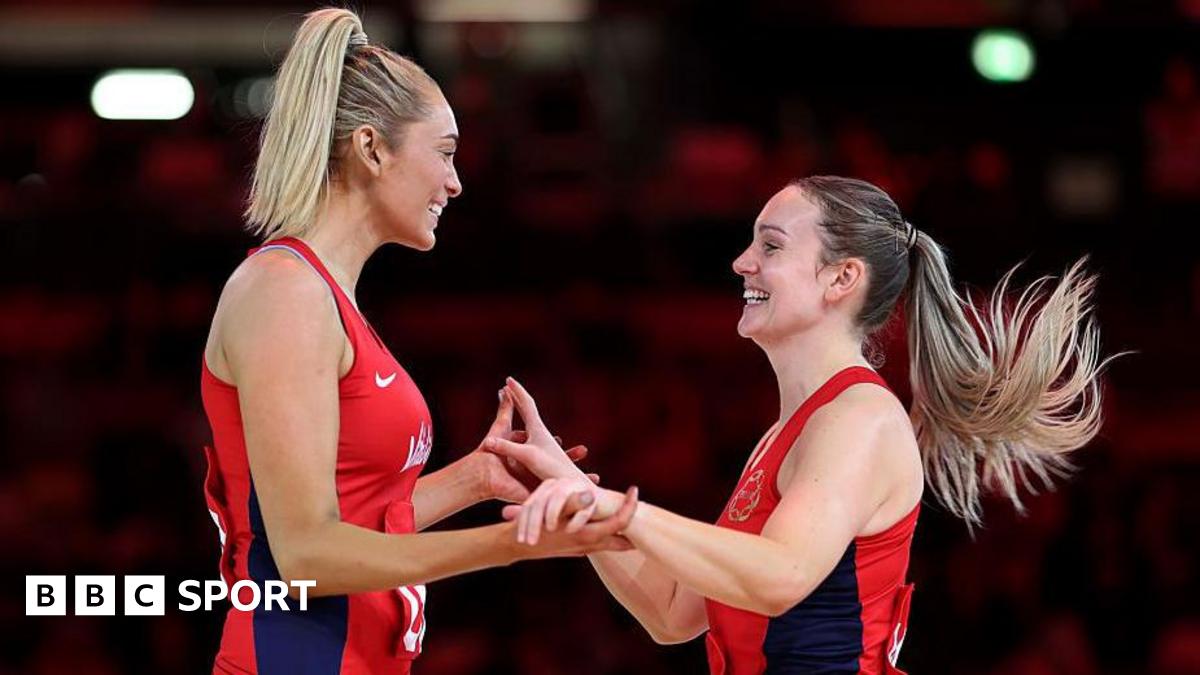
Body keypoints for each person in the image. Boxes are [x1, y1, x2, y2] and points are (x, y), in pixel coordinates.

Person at [488, 176, 1113, 674]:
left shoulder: (859, 419)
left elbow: (782, 575)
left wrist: (618, 509)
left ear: (842, 278)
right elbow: (675, 614)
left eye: (771, 246)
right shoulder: (788, 429)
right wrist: (572, 491)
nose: (741, 262)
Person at [199, 8, 636, 675]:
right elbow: (306, 556)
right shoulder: (285, 294)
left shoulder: (325, 298)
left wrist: (473, 481)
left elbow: (355, 516)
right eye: (446, 152)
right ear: (373, 149)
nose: (456, 182)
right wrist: (513, 543)